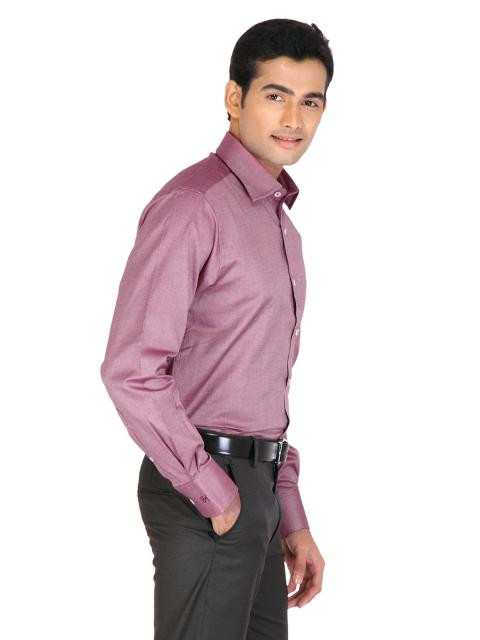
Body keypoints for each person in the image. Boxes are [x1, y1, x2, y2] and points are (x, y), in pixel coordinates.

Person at [100, 17, 334, 640]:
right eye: (276, 95)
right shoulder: (194, 205)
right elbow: (131, 369)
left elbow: (261, 391)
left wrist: (289, 516)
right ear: (235, 97)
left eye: (311, 101)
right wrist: (215, 493)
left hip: (258, 492)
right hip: (203, 490)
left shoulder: (281, 229)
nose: (294, 118)